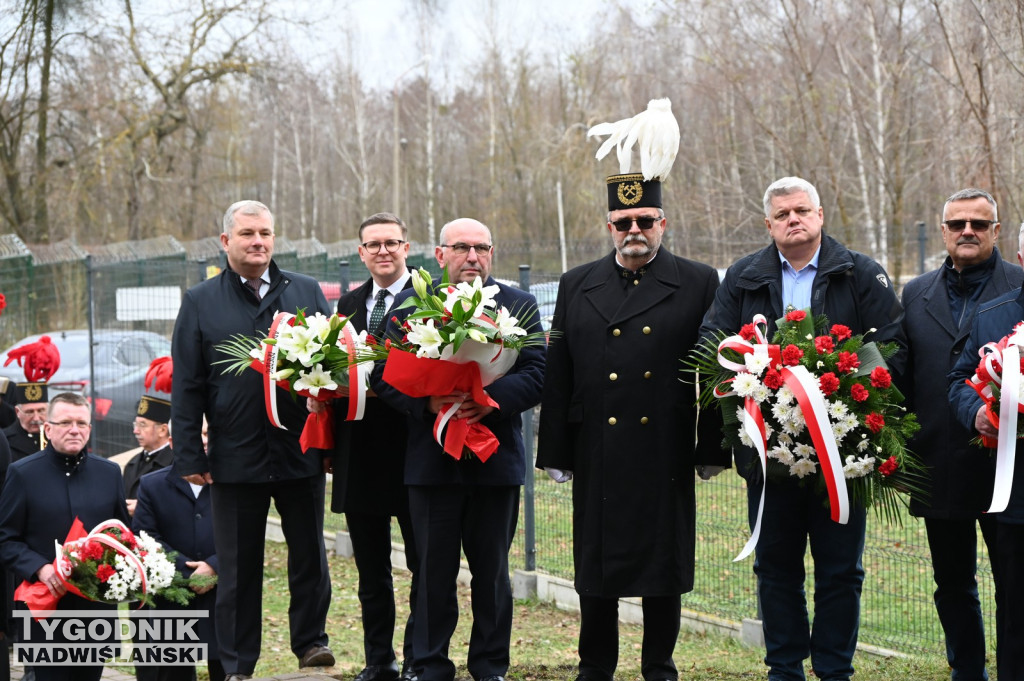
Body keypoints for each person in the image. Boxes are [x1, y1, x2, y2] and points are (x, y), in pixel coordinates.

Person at [535, 140, 729, 681]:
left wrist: (711, 446)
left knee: (661, 565)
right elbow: (560, 373)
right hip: (597, 444)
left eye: (645, 219)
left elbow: (711, 371)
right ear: (609, 227)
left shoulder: (697, 281)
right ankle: (595, 665)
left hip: (663, 445)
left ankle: (658, 666)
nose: (634, 230)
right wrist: (553, 448)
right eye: (623, 222)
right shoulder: (577, 283)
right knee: (597, 566)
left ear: (663, 223)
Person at [699, 176, 906, 681]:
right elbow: (712, 340)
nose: (794, 220)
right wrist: (755, 377)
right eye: (783, 214)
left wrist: (840, 381)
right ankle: (784, 668)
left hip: (842, 453)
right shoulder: (744, 276)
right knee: (775, 568)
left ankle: (834, 669)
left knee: (841, 570)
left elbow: (892, 345)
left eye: (802, 210)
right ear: (768, 224)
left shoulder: (859, 273)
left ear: (820, 216)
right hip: (768, 452)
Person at [373, 217, 545, 681]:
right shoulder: (410, 308)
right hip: (432, 464)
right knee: (432, 571)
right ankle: (429, 664)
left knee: (491, 574)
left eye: (482, 248)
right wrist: (429, 401)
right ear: (440, 254)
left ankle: (490, 666)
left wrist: (490, 402)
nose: (473, 257)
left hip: (495, 458)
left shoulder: (519, 305)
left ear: (492, 252)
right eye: (462, 248)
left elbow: (536, 371)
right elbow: (384, 378)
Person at [171, 199, 334, 680]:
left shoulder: (304, 292)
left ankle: (312, 644)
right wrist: (188, 453)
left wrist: (330, 445)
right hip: (234, 456)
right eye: (247, 234)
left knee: (309, 555)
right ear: (226, 241)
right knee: (239, 567)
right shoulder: (201, 301)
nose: (257, 241)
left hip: (299, 450)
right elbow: (188, 384)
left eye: (264, 233)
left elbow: (331, 374)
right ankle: (239, 662)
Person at [902, 188, 1018, 680]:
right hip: (939, 459)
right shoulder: (915, 292)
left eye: (978, 223)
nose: (966, 231)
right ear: (943, 230)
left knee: (1012, 582)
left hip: (1005, 468)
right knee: (951, 581)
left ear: (996, 231)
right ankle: (966, 669)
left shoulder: (1018, 287)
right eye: (956, 224)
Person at [322, 212, 420, 681]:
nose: (383, 250)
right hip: (359, 452)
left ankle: (420, 656)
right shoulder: (347, 305)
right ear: (361, 253)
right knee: (371, 573)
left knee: (425, 566)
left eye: (391, 242)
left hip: (415, 451)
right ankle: (379, 660)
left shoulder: (432, 300)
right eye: (373, 244)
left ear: (407, 248)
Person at [0, 392, 130, 681]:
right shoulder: (22, 473)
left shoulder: (109, 473)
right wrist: (40, 568)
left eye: (81, 423)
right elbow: (5, 538)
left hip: (94, 607)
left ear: (89, 429)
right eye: (66, 422)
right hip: (45, 605)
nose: (75, 429)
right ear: (48, 428)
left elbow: (121, 534)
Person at [949, 221, 1024, 681]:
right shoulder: (994, 315)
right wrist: (976, 411)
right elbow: (958, 380)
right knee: (1016, 614)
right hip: (1018, 499)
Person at [133, 420, 222, 681]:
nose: (203, 440)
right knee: (173, 670)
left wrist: (214, 566)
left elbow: (246, 533)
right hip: (171, 596)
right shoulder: (151, 484)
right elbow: (145, 536)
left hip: (222, 596)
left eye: (207, 432)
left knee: (227, 667)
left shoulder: (233, 482)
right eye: (194, 433)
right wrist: (187, 571)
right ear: (173, 443)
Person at [121, 394, 174, 516]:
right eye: (136, 425)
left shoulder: (174, 463)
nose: (136, 431)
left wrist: (144, 508)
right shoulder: (133, 463)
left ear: (163, 430)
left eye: (143, 425)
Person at [3, 381, 49, 461]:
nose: (36, 418)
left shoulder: (57, 436)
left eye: (41, 411)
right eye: (29, 412)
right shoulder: (4, 440)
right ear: (17, 412)